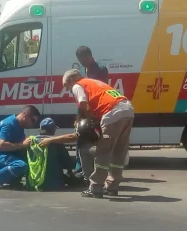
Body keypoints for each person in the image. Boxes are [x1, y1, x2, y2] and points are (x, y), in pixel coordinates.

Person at [39, 69, 134, 198]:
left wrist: (82, 119)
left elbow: (83, 103)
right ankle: (112, 187)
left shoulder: (78, 85)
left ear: (71, 80)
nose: (68, 90)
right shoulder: (94, 83)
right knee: (118, 152)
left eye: (66, 86)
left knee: (103, 151)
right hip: (127, 109)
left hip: (112, 112)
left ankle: (95, 187)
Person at [74, 46, 110, 183]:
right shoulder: (85, 70)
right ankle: (81, 168)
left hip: (96, 109)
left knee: (94, 139)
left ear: (89, 56)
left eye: (84, 58)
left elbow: (100, 91)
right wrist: (79, 116)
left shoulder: (100, 69)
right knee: (80, 135)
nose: (82, 62)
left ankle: (92, 171)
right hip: (87, 108)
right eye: (80, 60)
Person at [0, 105, 41, 189]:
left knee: (30, 160)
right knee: (21, 165)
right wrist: (22, 145)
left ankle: (11, 179)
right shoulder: (8, 124)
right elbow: (1, 146)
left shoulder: (19, 127)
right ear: (25, 115)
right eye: (32, 120)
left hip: (4, 155)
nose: (33, 124)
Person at [27, 118, 77, 191]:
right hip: (54, 184)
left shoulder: (31, 141)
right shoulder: (57, 143)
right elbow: (67, 163)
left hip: (32, 182)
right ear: (53, 130)